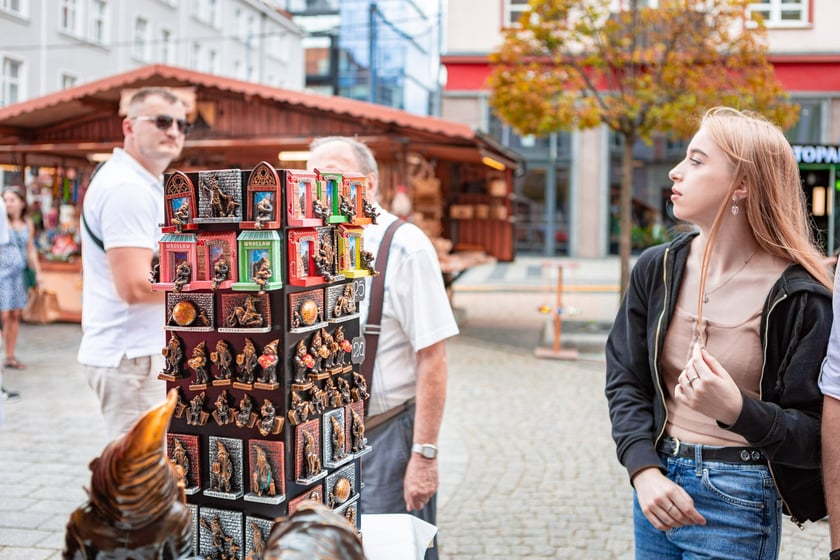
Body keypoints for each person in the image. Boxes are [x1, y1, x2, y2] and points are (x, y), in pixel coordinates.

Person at [605, 107, 832, 560]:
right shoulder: (659, 268)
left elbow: (817, 439)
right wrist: (642, 470)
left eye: (696, 159)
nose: (675, 170)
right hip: (658, 490)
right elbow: (625, 379)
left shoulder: (802, 297)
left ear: (742, 184)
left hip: (740, 498)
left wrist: (737, 410)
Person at [308, 137, 458, 560]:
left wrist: (424, 456)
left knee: (391, 551)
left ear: (369, 184)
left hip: (387, 434)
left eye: (333, 175)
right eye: (311, 177)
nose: (320, 187)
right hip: (318, 439)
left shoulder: (405, 247)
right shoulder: (305, 245)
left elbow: (433, 358)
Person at [77, 87, 189, 439]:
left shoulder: (139, 182)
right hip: (133, 356)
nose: (173, 131)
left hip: (135, 354)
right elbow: (135, 287)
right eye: (162, 121)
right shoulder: (127, 188)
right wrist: (213, 290)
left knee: (143, 475)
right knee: (141, 481)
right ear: (129, 127)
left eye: (182, 124)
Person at [1, 187, 42, 370]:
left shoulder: (27, 223)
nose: (8, 203)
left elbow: (30, 249)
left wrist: (38, 273)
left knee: (15, 314)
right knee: (4, 314)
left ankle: (10, 355)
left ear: (21, 203)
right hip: (3, 274)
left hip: (19, 274)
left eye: (12, 200)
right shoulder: (2, 222)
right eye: (6, 200)